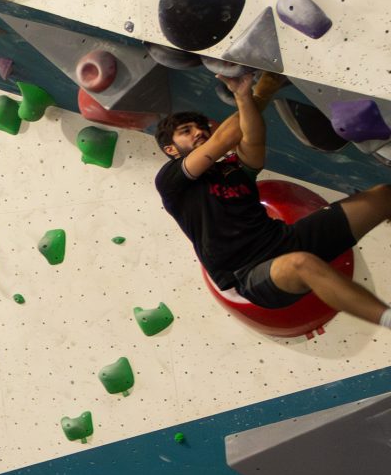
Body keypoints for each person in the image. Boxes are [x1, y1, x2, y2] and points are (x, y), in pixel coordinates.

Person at [156, 76, 391, 327]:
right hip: (249, 273)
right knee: (301, 264)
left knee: (383, 196)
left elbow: (253, 139)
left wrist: (245, 97)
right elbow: (223, 139)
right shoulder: (171, 181)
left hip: (284, 239)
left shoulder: (233, 169)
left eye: (201, 127)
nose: (199, 132)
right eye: (186, 131)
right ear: (171, 149)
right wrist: (260, 93)